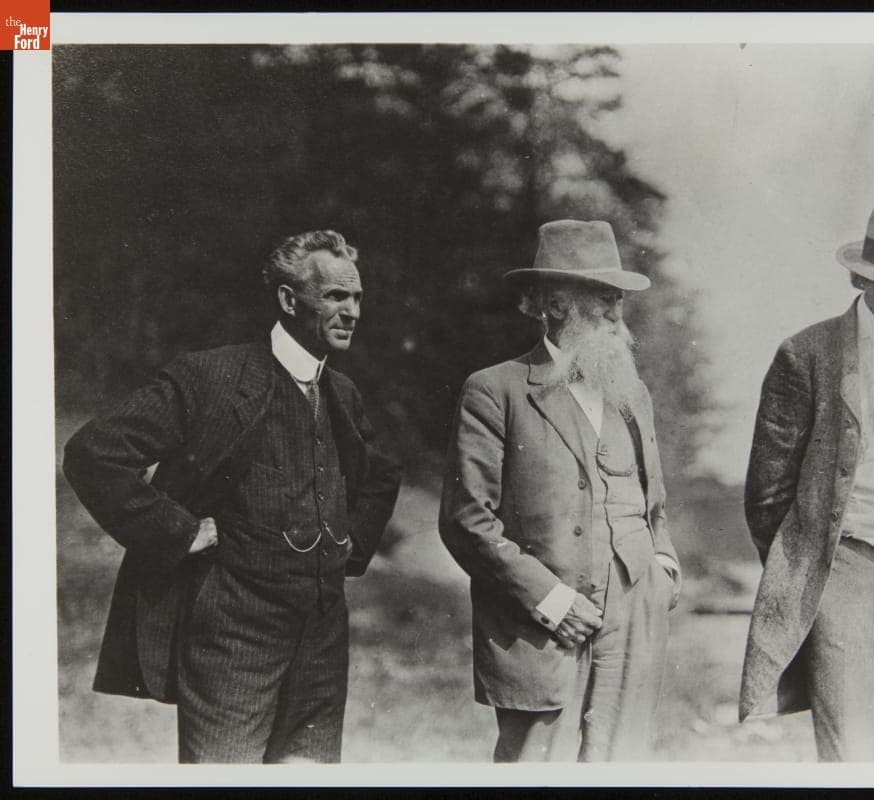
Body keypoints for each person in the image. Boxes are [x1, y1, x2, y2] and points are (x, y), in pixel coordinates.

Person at [63, 229, 401, 763]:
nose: (352, 311)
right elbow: (95, 453)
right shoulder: (211, 377)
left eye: (357, 297)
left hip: (322, 641)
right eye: (336, 296)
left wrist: (349, 545)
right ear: (289, 300)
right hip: (232, 638)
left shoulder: (343, 393)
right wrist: (180, 531)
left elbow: (381, 474)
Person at [439, 219, 682, 762]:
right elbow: (467, 519)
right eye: (601, 299)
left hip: (634, 618)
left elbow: (652, 502)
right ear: (551, 304)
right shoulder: (495, 389)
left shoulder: (631, 391)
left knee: (622, 765)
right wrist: (549, 600)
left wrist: (662, 567)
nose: (616, 315)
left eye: (618, 299)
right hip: (543, 626)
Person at [739, 195, 874, 761]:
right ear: (862, 280)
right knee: (851, 743)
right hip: (844, 568)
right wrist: (808, 564)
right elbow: (768, 492)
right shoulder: (807, 354)